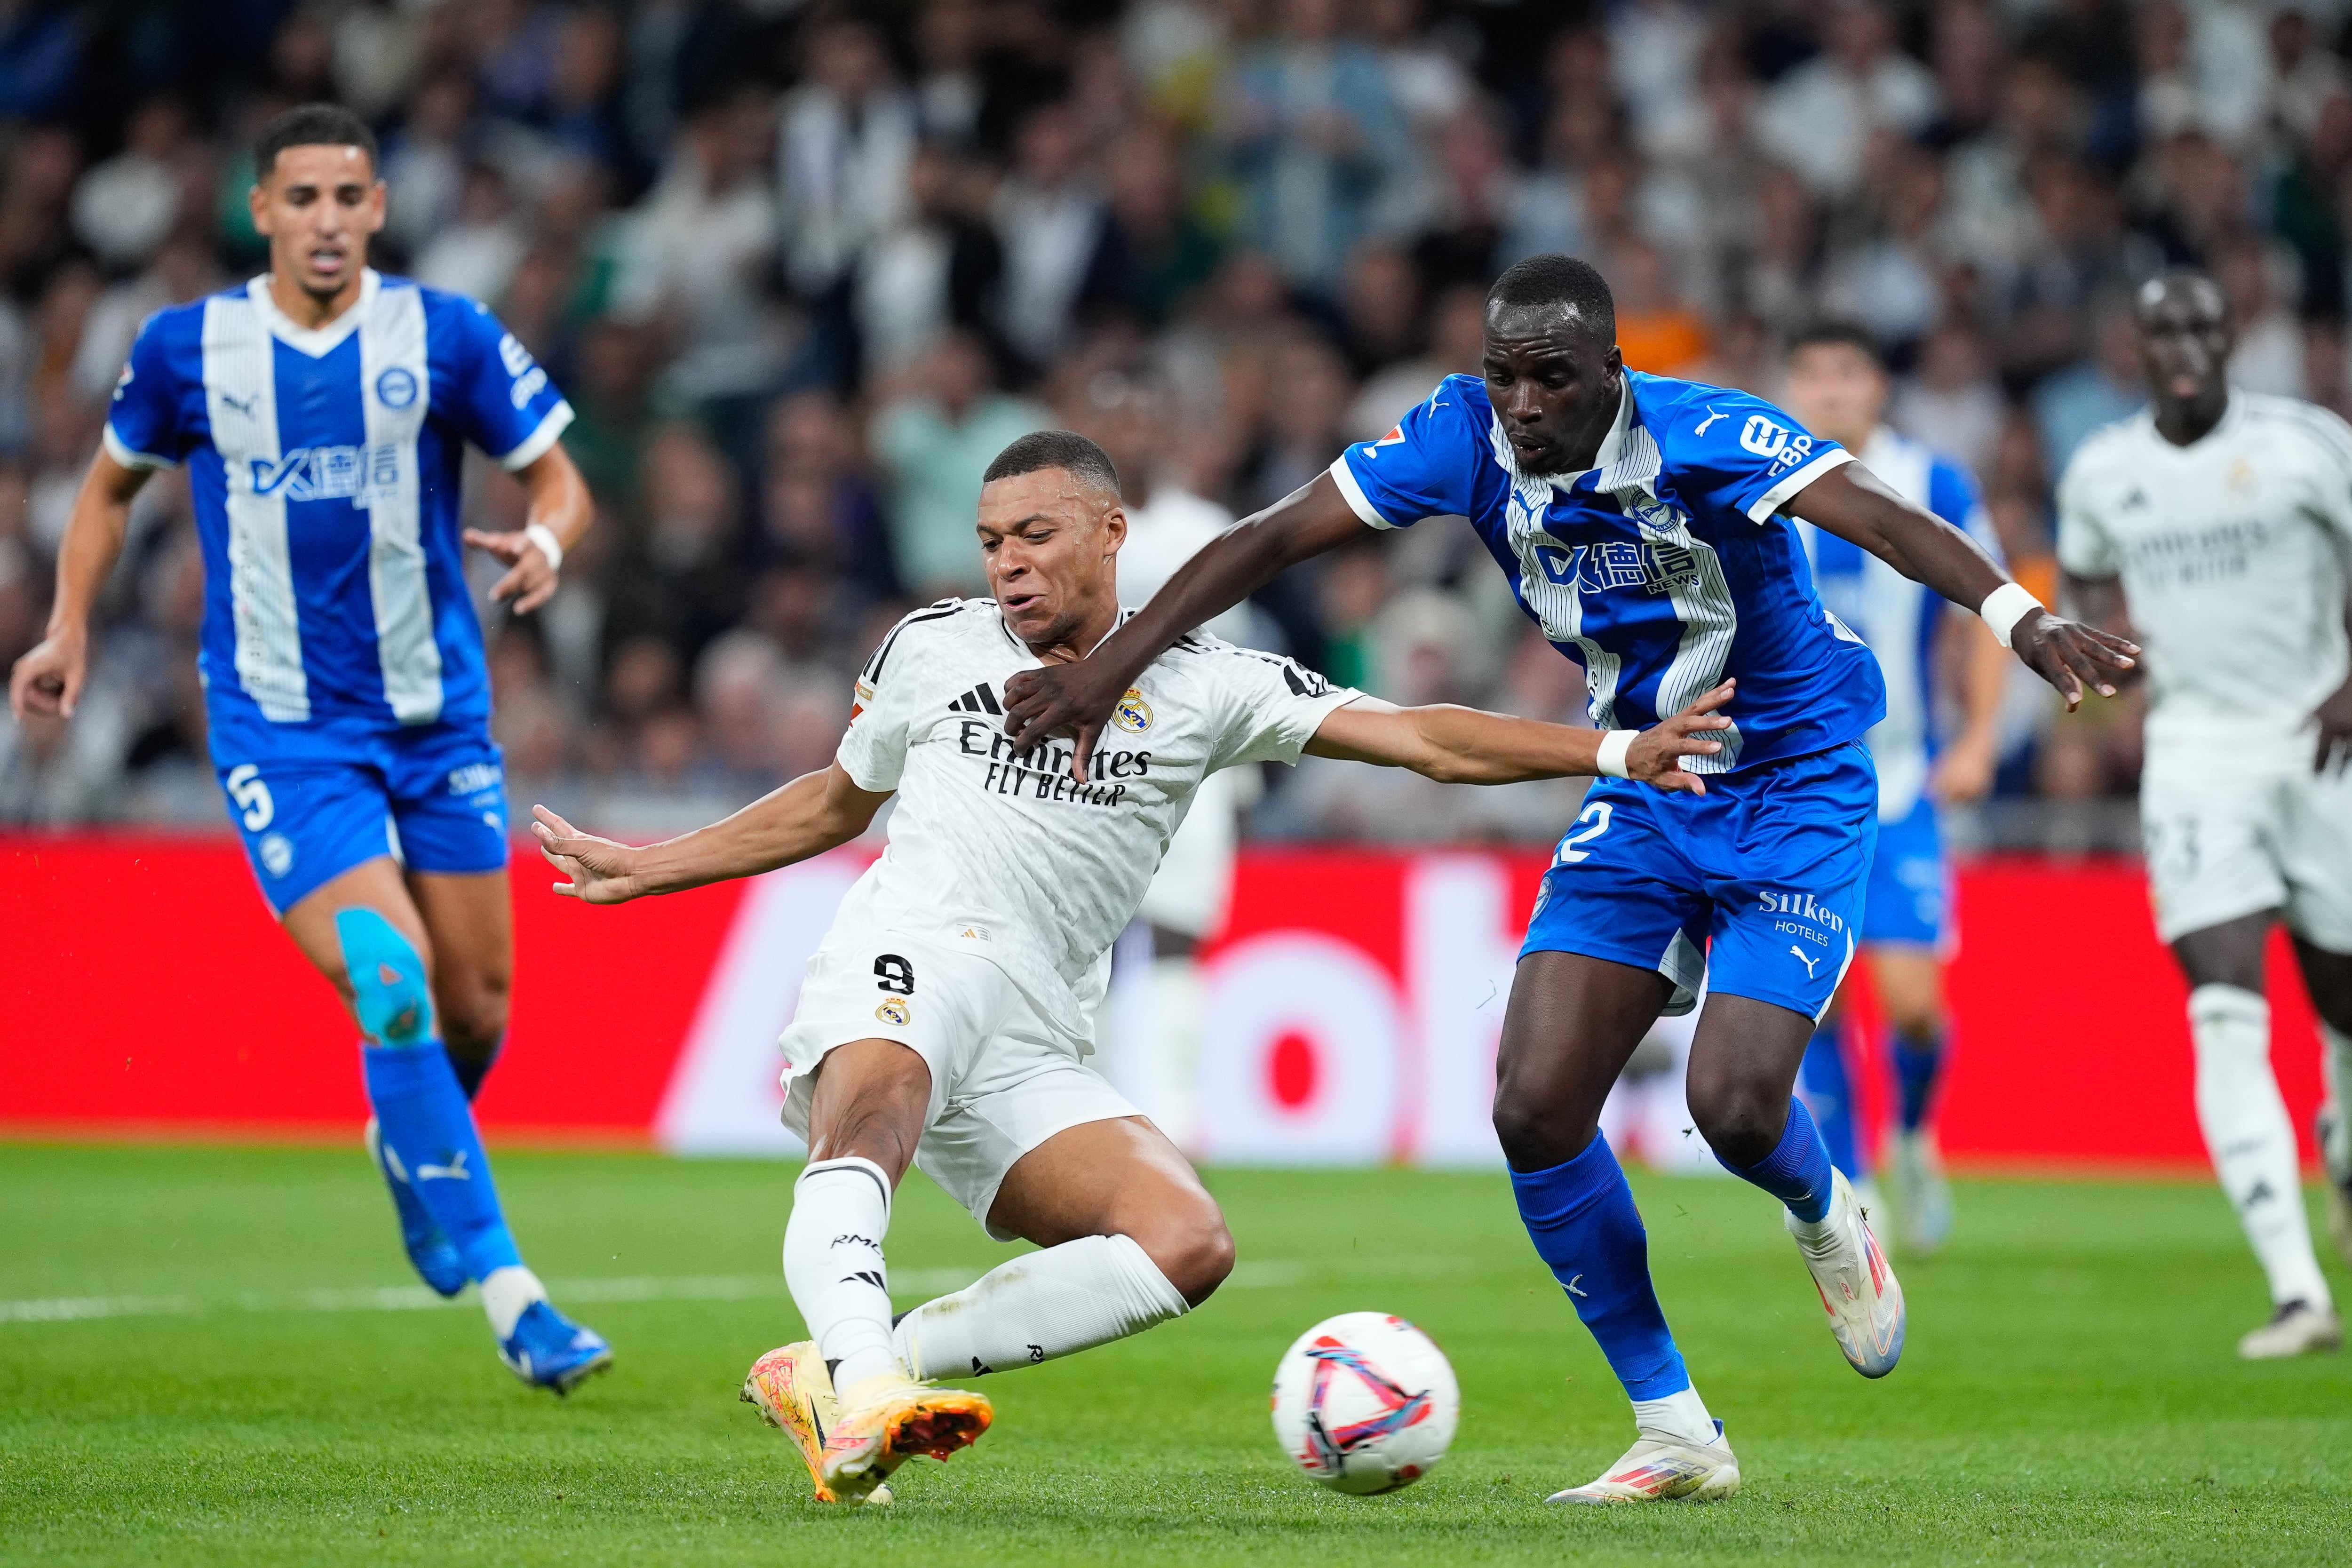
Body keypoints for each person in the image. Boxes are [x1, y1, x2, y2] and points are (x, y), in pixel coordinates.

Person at [998, 255, 2135, 1503]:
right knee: (1534, 1105)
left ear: (1612, 371)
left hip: (1797, 783)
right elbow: (1269, 539)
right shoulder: (1458, 435)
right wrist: (1107, 668)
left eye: (1551, 378)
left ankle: (1827, 1210)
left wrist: (2024, 619)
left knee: (1740, 1105)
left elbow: (1883, 516)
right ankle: (1676, 1428)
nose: (1523, 404)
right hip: (1647, 785)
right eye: (1505, 376)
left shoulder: (1707, 430)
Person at [528, 429, 1735, 1505]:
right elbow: (840, 801)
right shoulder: (932, 646)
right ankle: (866, 1387)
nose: (1008, 561)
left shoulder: (1207, 683)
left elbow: (1419, 737)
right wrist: (656, 865)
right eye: (993, 538)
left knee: (1184, 1240)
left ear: (1112, 535)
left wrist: (1615, 748)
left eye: (1036, 534)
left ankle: (848, 1360)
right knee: (873, 1112)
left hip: (1038, 1028)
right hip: (909, 948)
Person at [7, 105, 609, 1393]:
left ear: (378, 207)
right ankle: (518, 1295)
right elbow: (109, 489)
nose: (327, 221)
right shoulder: (188, 350)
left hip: (439, 717)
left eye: (349, 197)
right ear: (262, 209)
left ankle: (412, 1147)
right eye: (303, 198)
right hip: (282, 729)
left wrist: (551, 539)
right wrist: (66, 625)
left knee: (477, 1009)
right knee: (389, 979)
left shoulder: (442, 332)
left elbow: (560, 475)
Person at [2057, 270, 2352, 1360]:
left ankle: (2342, 1144)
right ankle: (2295, 1289)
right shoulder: (2103, 469)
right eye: (2159, 329)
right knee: (2224, 1006)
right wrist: (2106, 661)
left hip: (2324, 748)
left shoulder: (2309, 444)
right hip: (2194, 761)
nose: (2181, 343)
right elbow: (2084, 590)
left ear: (2232, 336)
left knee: (2344, 1014)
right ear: (2135, 347)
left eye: (2199, 324)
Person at [1782, 322, 2011, 1253]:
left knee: (1913, 1000)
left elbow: (1987, 608)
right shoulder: (1757, 478)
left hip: (1904, 774)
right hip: (1792, 781)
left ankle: (1914, 1132)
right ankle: (1854, 1177)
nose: (1830, 391)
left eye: (1847, 372)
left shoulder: (1933, 484)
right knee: (1818, 995)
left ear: (1878, 384)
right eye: (1811, 373)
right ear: (1790, 388)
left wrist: (1982, 738)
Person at [1079, 363, 1254, 1151]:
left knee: (1183, 931)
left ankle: (1178, 1112)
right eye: (1115, 422)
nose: (1131, 436)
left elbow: (1233, 658)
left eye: (1144, 419)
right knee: (1095, 933)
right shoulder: (1073, 533)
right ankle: (1097, 1103)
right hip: (1094, 755)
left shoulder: (1205, 527)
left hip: (1193, 759)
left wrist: (1240, 767)